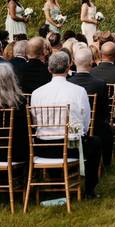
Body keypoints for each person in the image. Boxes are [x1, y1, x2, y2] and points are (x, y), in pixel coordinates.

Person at [30, 51, 98, 194]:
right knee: (95, 142)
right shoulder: (79, 91)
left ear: (49, 69)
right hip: (70, 148)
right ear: (69, 67)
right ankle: (90, 189)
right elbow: (86, 122)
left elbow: (35, 122)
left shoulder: (36, 93)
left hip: (43, 147)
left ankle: (55, 180)